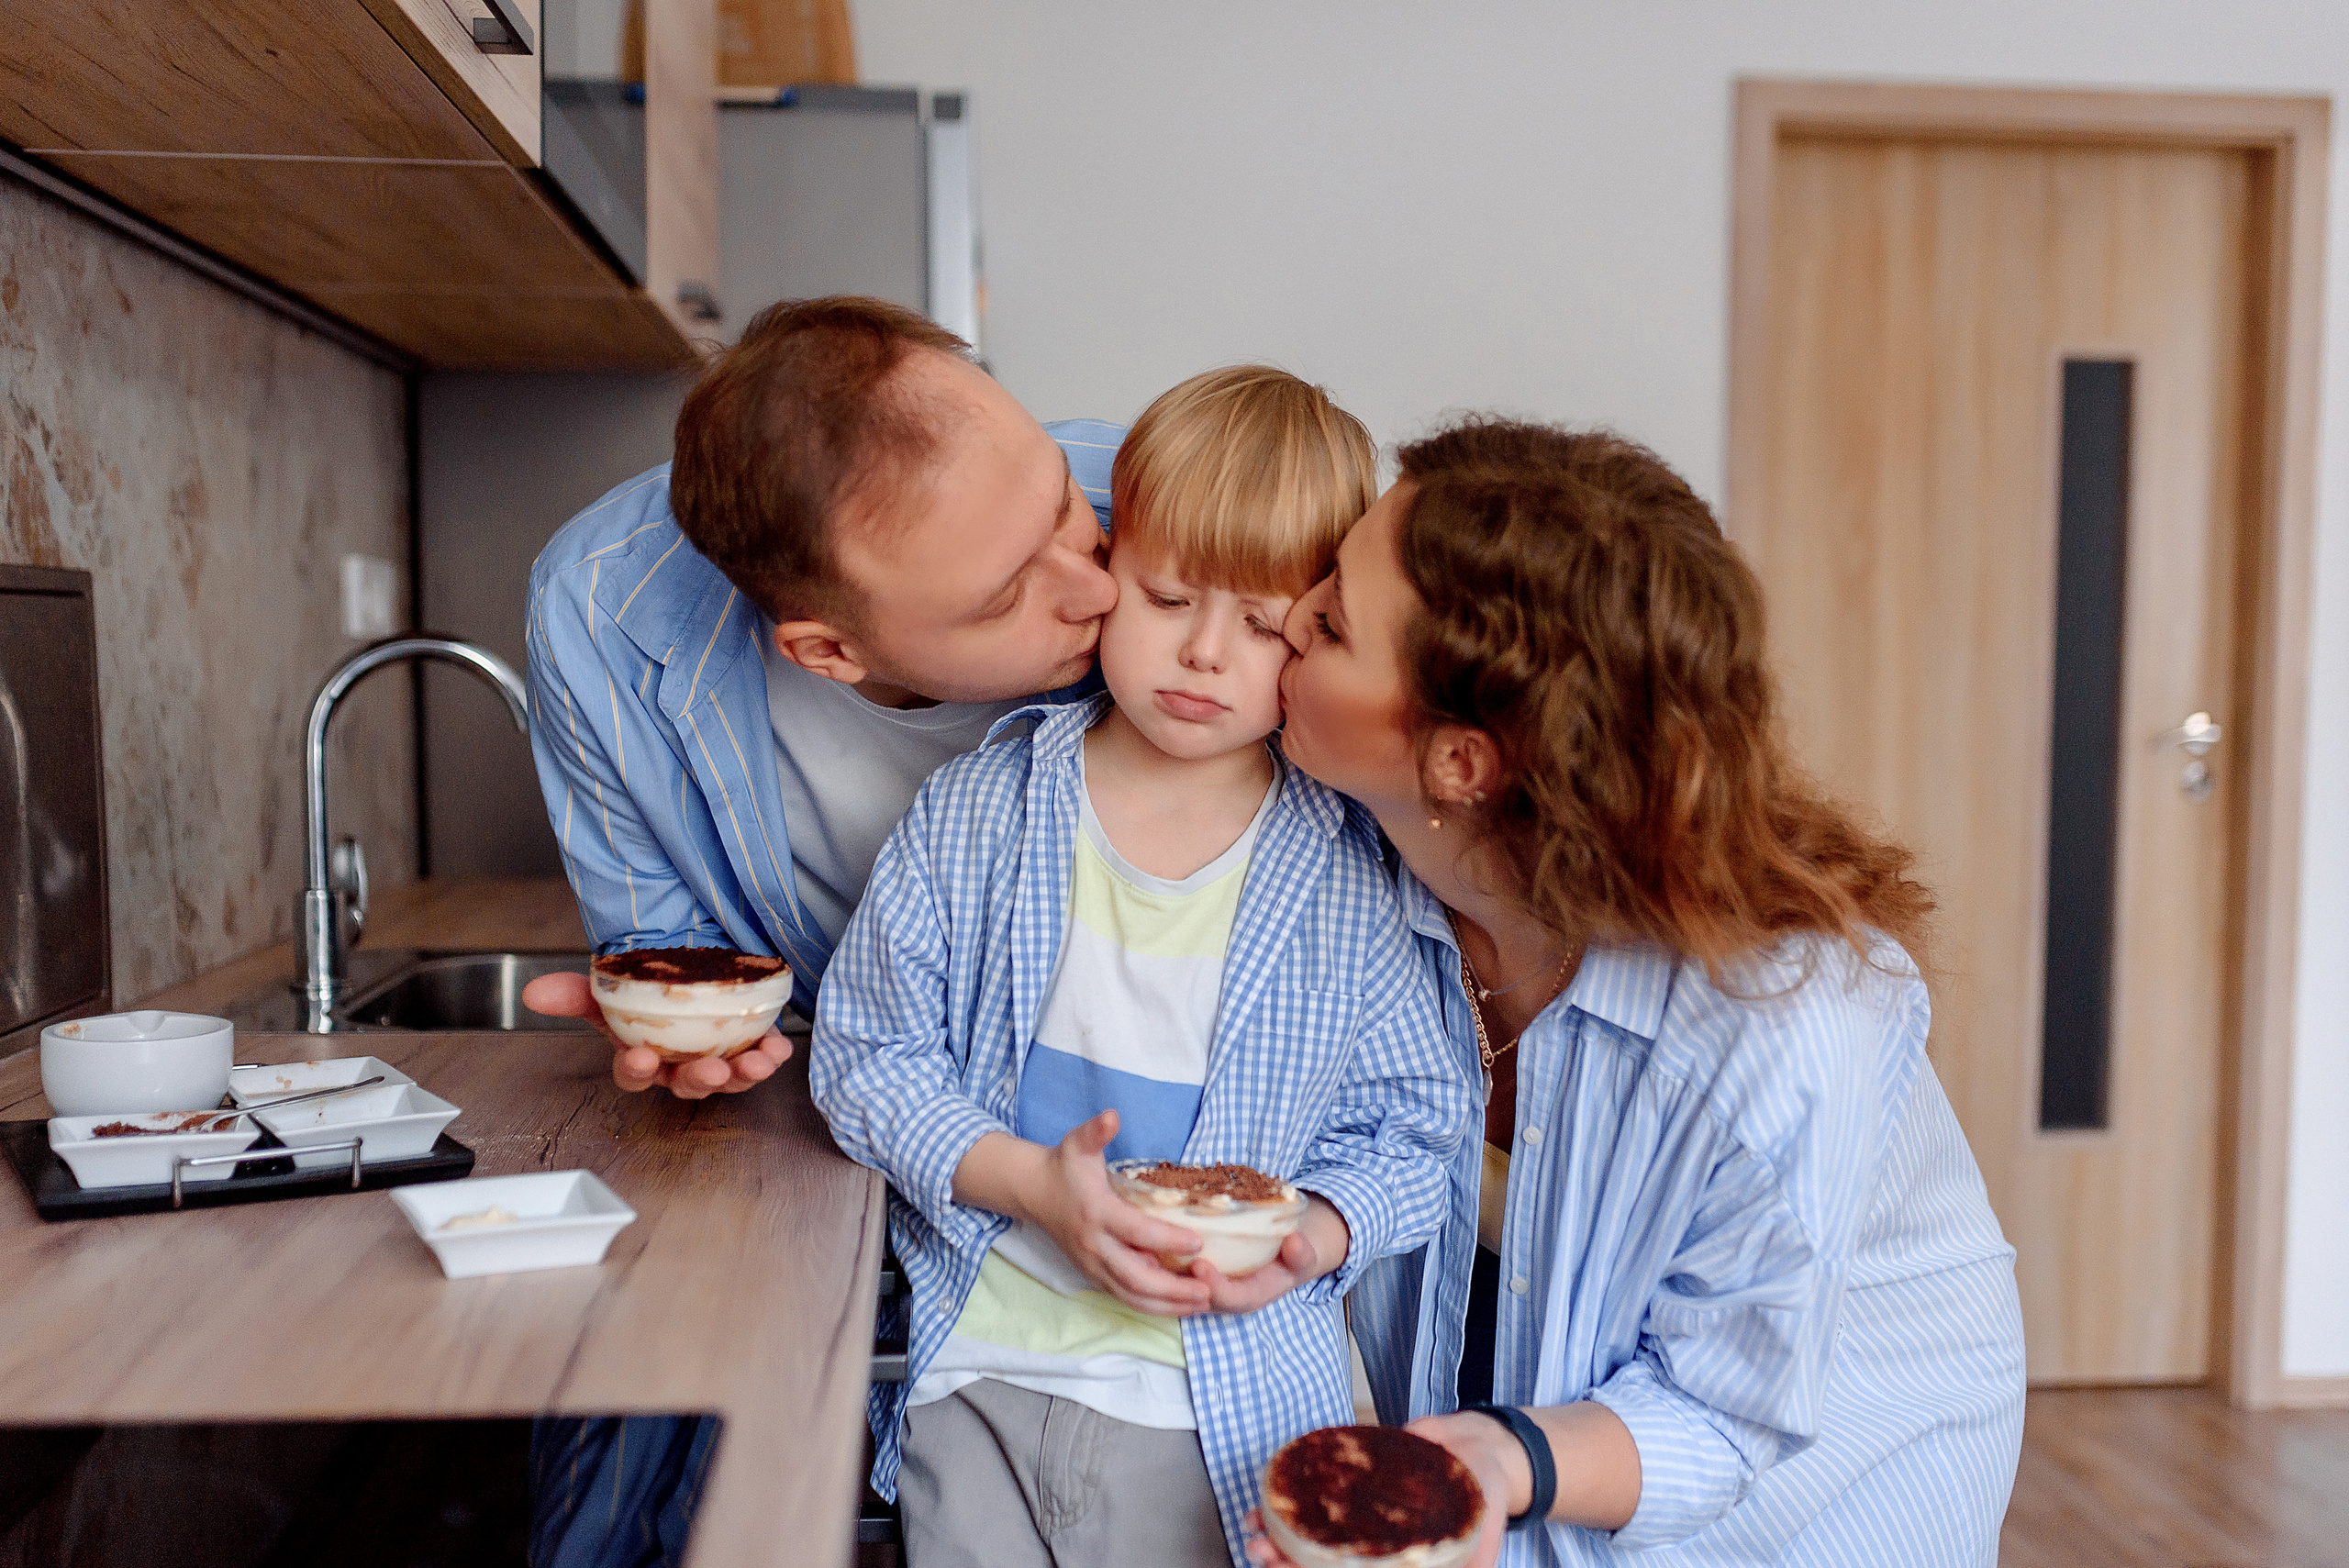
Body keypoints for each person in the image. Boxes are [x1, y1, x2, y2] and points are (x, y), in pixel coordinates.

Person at [1256, 422, 2027, 1566]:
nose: (1283, 613)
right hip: (1543, 1417)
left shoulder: (1784, 1020)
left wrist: (1504, 1461)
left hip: (1824, 1456)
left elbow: (1724, 1412)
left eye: (1329, 622)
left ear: (1460, 762)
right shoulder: (1355, 866)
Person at [809, 368, 1475, 1568]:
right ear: (1108, 567)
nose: (1207, 654)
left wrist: (1316, 1232)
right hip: (983, 1384)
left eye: (1270, 626)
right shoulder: (982, 815)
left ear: (1318, 633)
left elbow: (1418, 1129)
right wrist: (1024, 1179)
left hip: (1229, 1410)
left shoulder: (1351, 874)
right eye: (1168, 595)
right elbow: (864, 1054)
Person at [517, 296, 1126, 1567]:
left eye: (1060, 506)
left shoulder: (1153, 501)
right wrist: (690, 1036)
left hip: (1107, 1136)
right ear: (828, 650)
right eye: (1012, 589)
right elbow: (669, 944)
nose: (1100, 583)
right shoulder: (602, 614)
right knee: (634, 1474)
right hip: (824, 1132)